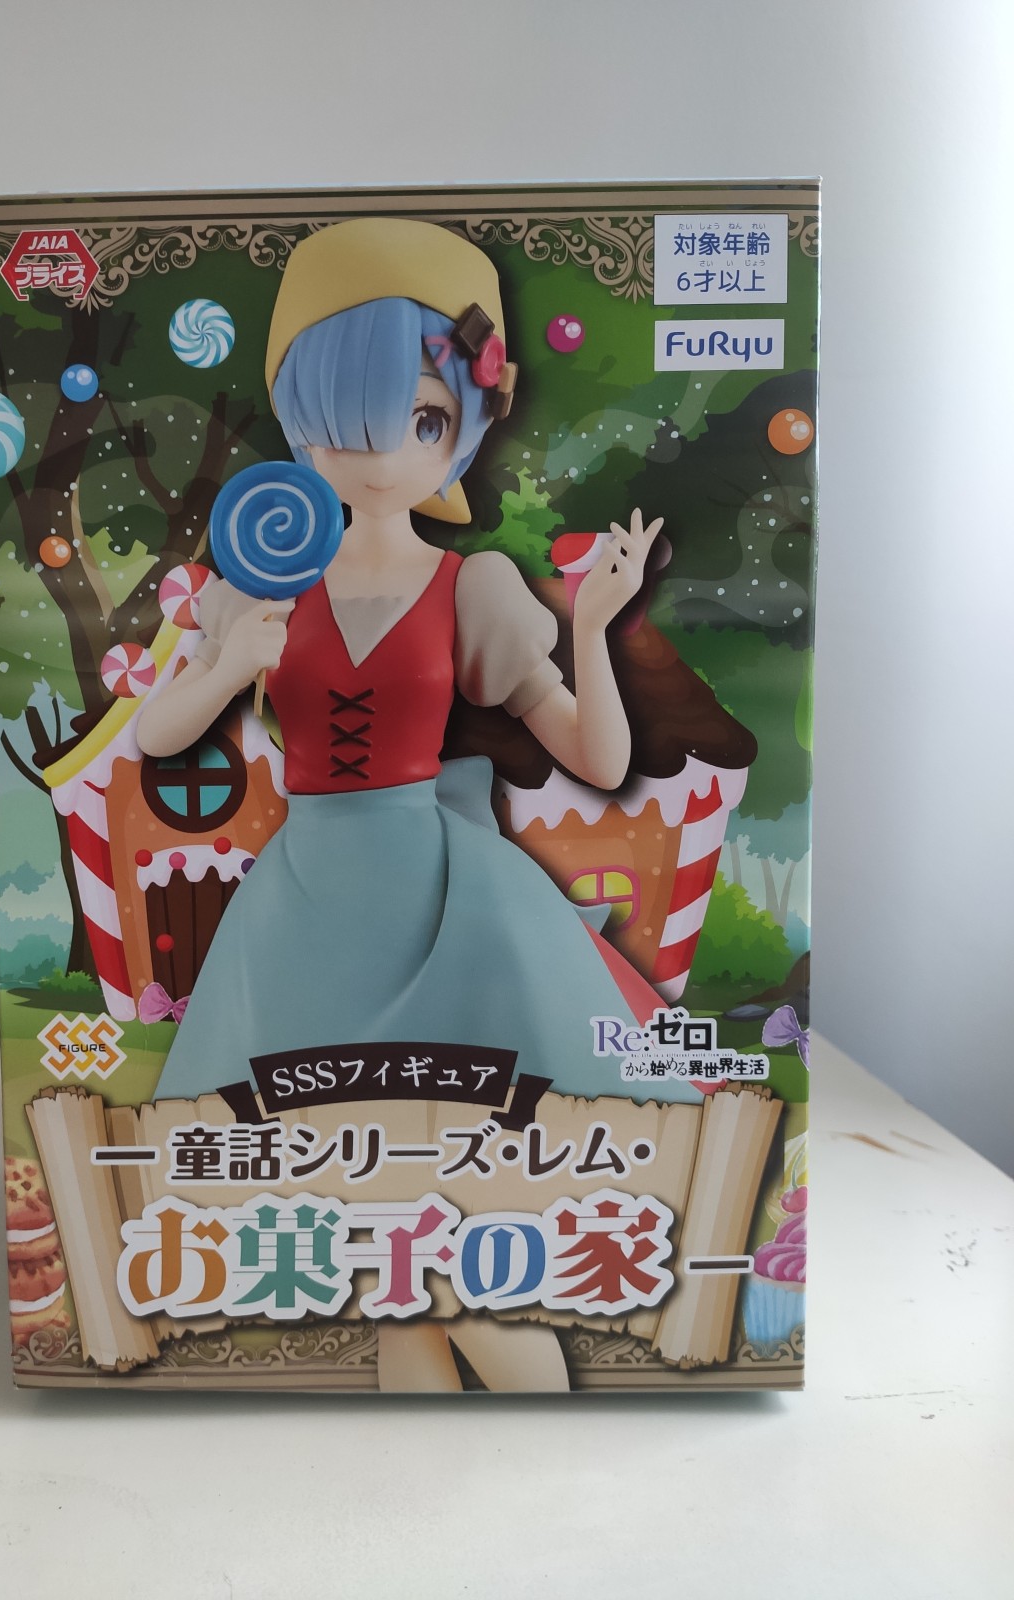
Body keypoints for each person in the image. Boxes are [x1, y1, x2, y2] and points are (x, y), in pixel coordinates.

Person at [137, 218, 697, 1390]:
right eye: (352, 416)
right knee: (369, 1210)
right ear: (302, 419)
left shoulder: (471, 583)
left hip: (444, 899)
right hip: (307, 904)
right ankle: (430, 1454)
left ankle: (534, 1433)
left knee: (453, 1196)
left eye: (427, 419)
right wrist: (230, 665)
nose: (388, 450)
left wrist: (595, 627)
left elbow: (599, 757)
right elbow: (156, 735)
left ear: (466, 424)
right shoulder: (257, 582)